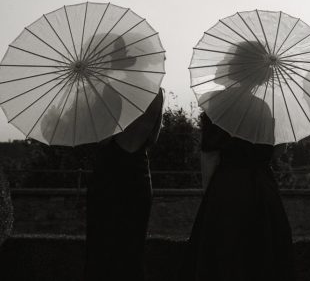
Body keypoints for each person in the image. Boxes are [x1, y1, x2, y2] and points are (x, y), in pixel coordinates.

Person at [180, 40, 295, 281]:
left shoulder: (218, 103)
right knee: (262, 255)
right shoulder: (266, 106)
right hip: (262, 188)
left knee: (224, 254)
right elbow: (276, 152)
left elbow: (210, 154)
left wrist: (210, 195)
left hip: (228, 187)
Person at [85, 87, 164, 281]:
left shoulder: (110, 90)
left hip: (109, 176)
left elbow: (102, 139)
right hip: (140, 175)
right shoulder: (156, 91)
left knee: (102, 249)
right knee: (133, 251)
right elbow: (153, 138)